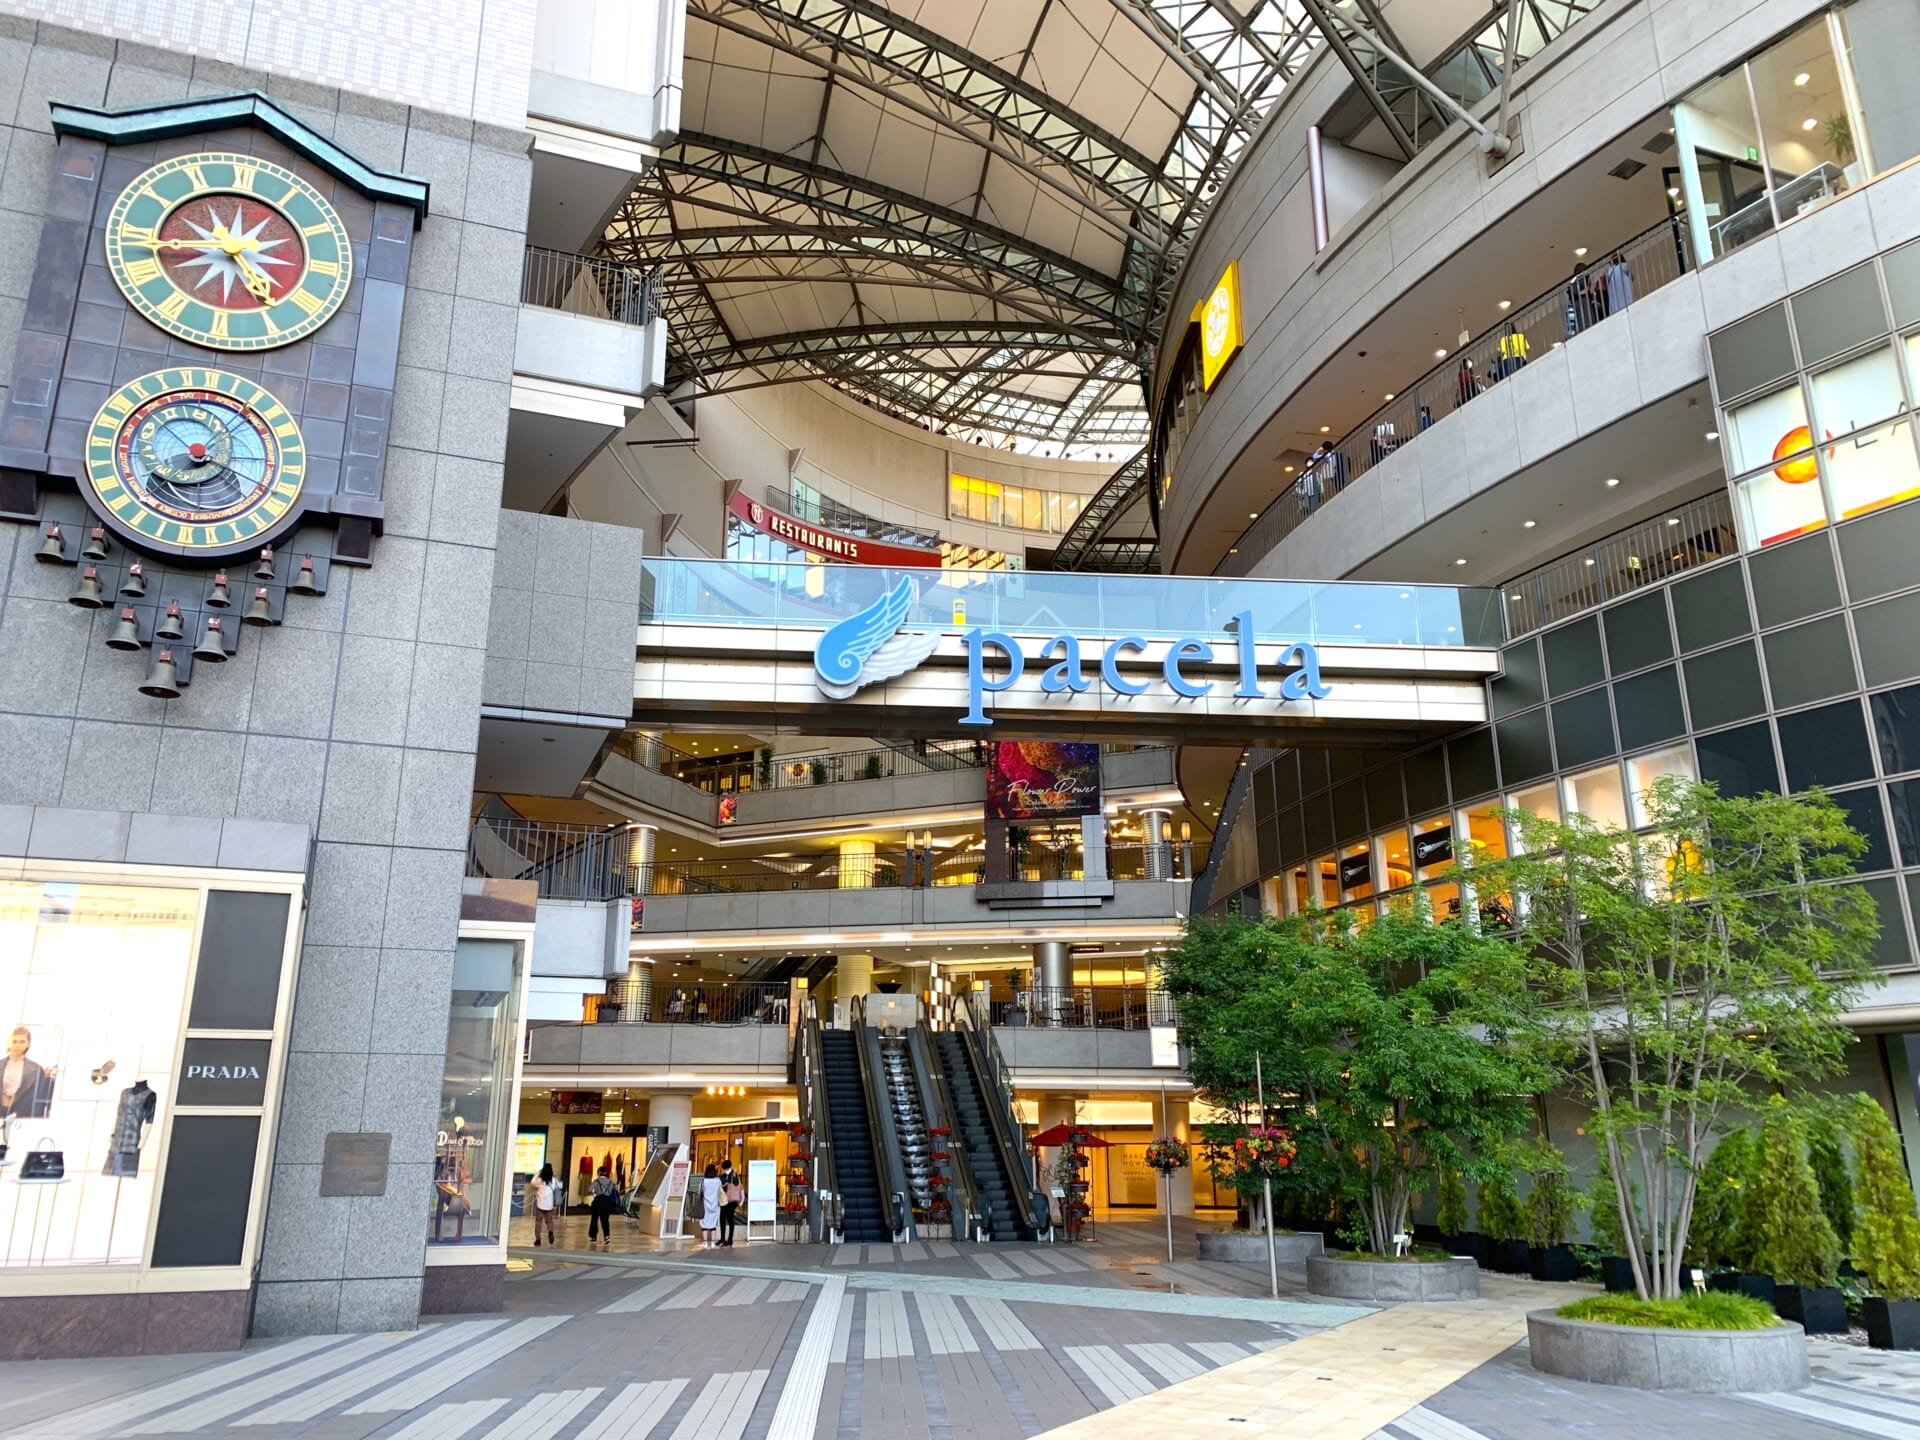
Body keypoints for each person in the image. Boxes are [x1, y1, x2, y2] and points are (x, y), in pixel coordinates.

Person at [1, 1027, 52, 1119]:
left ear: (28, 1044)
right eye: (14, 1041)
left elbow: (40, 1099)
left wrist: (47, 1078)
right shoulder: (1, 1065)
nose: (18, 1045)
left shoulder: (36, 1069)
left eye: (22, 1042)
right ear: (9, 1042)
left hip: (22, 1116)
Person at [588, 1163, 619, 1249]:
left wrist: (595, 1193)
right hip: (606, 1201)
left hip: (597, 1201)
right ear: (606, 1172)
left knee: (594, 1219)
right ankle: (606, 1236)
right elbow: (616, 1189)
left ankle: (593, 1236)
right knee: (605, 1220)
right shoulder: (610, 1182)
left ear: (599, 1172)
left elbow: (589, 1190)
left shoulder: (596, 1181)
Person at [530, 1163, 557, 1247]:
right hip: (550, 1205)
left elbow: (532, 1182)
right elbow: (556, 1188)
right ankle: (550, 1232)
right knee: (549, 1221)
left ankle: (538, 1239)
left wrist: (538, 1173)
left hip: (540, 1204)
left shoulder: (540, 1180)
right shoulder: (553, 1180)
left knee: (538, 1222)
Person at [719, 1158, 744, 1247]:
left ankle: (730, 1239)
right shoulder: (723, 1176)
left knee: (729, 1218)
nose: (725, 1170)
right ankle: (723, 1238)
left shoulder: (734, 1174)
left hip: (732, 1201)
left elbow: (737, 1185)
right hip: (724, 1199)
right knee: (722, 1219)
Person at [698, 1162, 722, 1249]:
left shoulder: (704, 1181)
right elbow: (720, 1191)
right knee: (713, 1224)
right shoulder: (718, 1181)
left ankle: (705, 1243)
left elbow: (700, 1191)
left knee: (704, 1224)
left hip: (705, 1205)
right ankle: (712, 1243)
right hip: (715, 1205)